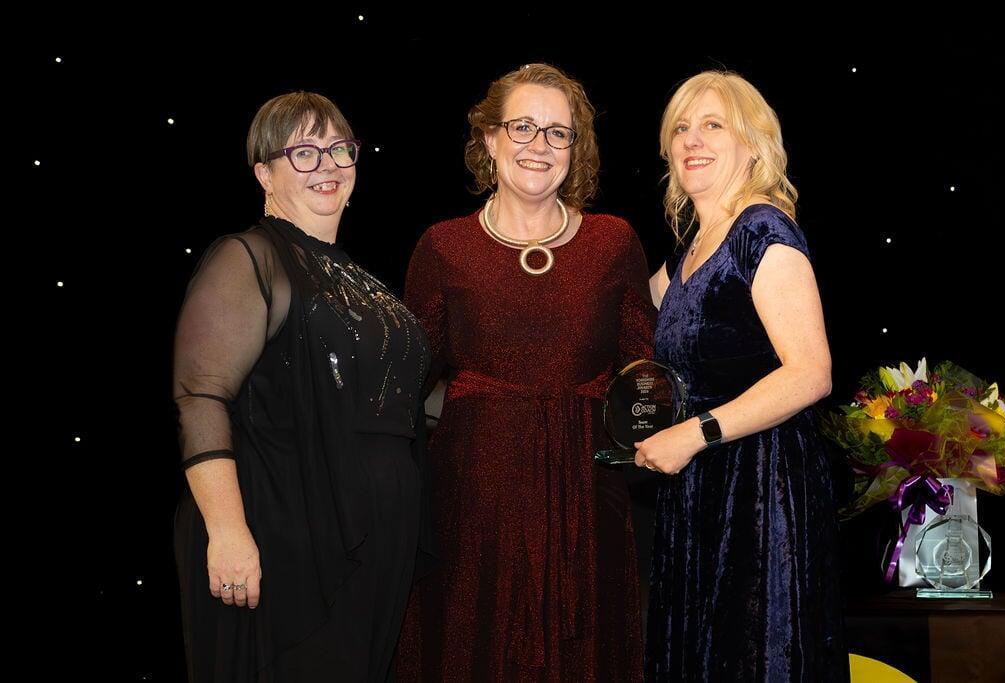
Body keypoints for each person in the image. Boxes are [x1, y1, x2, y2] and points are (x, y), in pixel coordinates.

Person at [398, 63, 654, 680]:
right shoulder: (443, 246)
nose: (540, 145)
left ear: (575, 148)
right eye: (522, 127)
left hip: (587, 497)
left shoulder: (613, 241)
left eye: (558, 132)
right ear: (489, 139)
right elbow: (406, 381)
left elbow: (643, 371)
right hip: (473, 497)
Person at [172, 91, 435, 681]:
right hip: (287, 536)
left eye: (340, 149)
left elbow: (404, 398)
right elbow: (201, 398)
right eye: (305, 153)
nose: (329, 165)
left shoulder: (361, 279)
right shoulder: (248, 257)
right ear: (264, 174)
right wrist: (228, 532)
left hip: (371, 539)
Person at [639, 71, 848, 681]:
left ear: (752, 145)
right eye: (681, 127)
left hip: (760, 487)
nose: (692, 139)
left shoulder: (762, 230)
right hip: (700, 487)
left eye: (713, 125)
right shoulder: (690, 249)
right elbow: (618, 311)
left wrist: (694, 433)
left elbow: (811, 373)